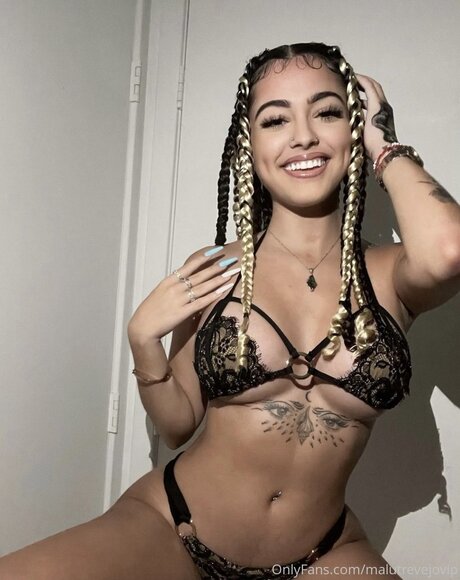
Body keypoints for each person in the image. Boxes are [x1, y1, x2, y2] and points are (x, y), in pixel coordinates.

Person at [1, 42, 459, 580]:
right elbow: (178, 424)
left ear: (353, 131)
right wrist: (142, 341)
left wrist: (384, 141)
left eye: (327, 113)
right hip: (174, 528)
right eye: (276, 120)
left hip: (323, 554)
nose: (303, 136)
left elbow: (450, 250)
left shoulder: (390, 275)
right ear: (250, 144)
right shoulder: (218, 267)